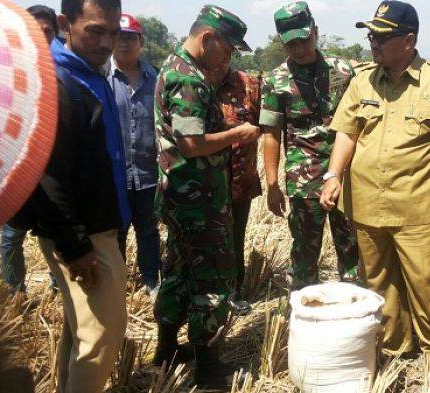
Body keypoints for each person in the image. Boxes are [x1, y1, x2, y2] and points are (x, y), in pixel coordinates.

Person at [321, 0, 430, 357]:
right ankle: (395, 349)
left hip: (418, 209)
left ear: (408, 41)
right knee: (379, 284)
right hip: (368, 205)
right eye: (371, 35)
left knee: (427, 286)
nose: (373, 42)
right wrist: (333, 174)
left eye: (382, 37)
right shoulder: (362, 81)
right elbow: (347, 132)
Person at [8, 0, 129, 391]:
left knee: (81, 331)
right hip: (84, 234)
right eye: (96, 30)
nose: (107, 42)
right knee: (99, 341)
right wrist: (75, 246)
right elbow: (48, 177)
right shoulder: (59, 81)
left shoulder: (88, 73)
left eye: (113, 32)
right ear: (65, 23)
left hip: (97, 227)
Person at [152, 6, 260, 389]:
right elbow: (192, 143)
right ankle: (209, 367)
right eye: (228, 49)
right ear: (208, 39)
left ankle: (166, 349)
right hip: (198, 204)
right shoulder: (190, 80)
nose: (228, 58)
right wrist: (238, 134)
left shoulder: (174, 67)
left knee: (179, 272)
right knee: (213, 282)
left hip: (181, 199)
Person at [260, 1, 359, 290]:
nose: (300, 49)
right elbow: (271, 134)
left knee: (352, 250)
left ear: (316, 31)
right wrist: (272, 185)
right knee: (304, 253)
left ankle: (354, 310)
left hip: (346, 175)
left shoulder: (342, 70)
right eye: (292, 44)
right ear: (282, 42)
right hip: (303, 177)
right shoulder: (277, 80)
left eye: (305, 40)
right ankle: (305, 310)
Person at [0, 5, 61, 296]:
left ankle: (57, 287)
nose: (42, 35)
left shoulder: (62, 70)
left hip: (52, 169)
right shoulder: (12, 67)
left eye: (47, 31)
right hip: (19, 167)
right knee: (12, 234)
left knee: (55, 234)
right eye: (36, 29)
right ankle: (14, 291)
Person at [108, 13, 161, 293]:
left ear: (140, 42)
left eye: (131, 38)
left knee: (148, 231)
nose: (125, 44)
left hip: (148, 173)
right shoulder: (103, 78)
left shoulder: (156, 78)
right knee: (115, 232)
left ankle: (151, 279)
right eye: (120, 37)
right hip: (115, 175)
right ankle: (116, 283)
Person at [210, 34, 262, 314]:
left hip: (240, 178)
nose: (222, 63)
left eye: (229, 55)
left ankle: (233, 290)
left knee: (235, 236)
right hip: (204, 184)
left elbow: (267, 123)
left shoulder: (248, 84)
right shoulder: (194, 84)